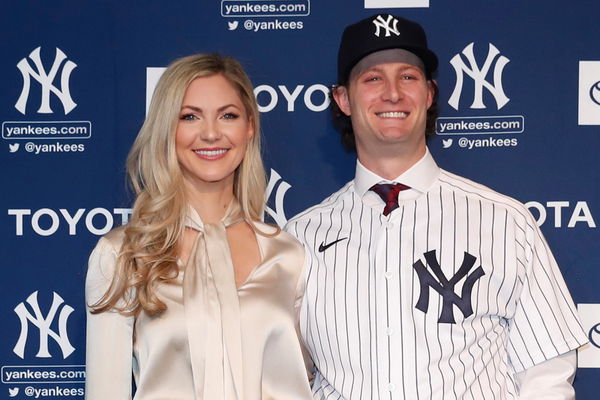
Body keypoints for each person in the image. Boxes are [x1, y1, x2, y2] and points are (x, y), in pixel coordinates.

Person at [285, 14, 588, 399]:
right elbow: (285, 373)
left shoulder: (505, 221)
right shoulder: (301, 236)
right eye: (372, 78)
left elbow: (547, 372)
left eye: (408, 77)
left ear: (429, 94)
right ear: (343, 98)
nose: (392, 93)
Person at [85, 53, 313, 400]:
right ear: (167, 129)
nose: (210, 133)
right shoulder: (122, 254)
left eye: (228, 116)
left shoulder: (289, 255)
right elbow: (104, 392)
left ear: (249, 126)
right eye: (190, 116)